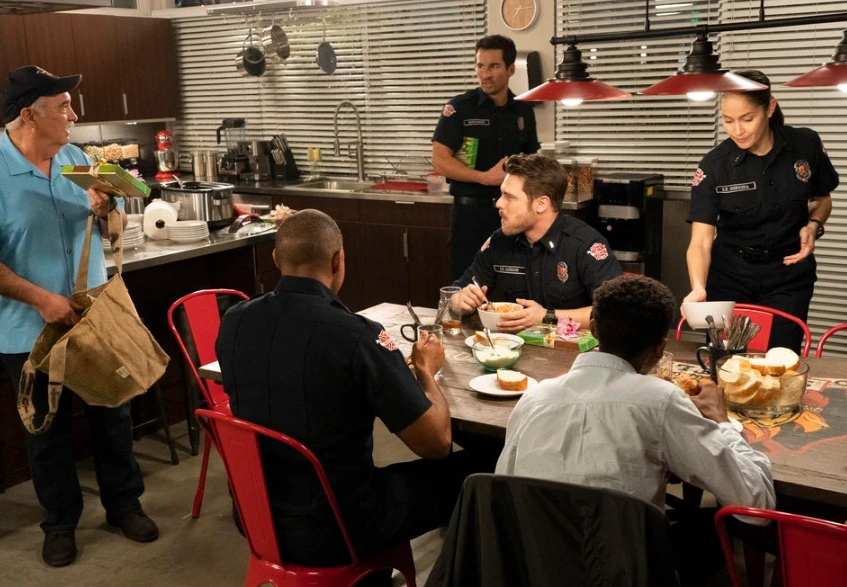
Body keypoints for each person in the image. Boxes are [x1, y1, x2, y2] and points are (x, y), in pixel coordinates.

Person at [215, 209, 487, 584]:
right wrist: (426, 370)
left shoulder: (235, 320)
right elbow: (437, 443)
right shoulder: (357, 337)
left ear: (276, 259)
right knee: (478, 471)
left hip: (254, 515)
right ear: (338, 261)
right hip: (337, 527)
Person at [0, 66, 155, 567]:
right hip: (30, 329)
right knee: (46, 431)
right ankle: (60, 523)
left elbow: (116, 222)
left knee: (113, 413)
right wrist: (42, 300)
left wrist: (107, 210)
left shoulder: (77, 159)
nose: (74, 115)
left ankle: (124, 505)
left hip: (92, 317)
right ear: (30, 115)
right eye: (64, 106)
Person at [496, 275, 775, 585]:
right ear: (660, 348)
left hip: (536, 569)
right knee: (708, 532)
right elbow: (755, 505)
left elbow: (503, 496)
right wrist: (722, 422)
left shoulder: (533, 399)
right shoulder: (662, 401)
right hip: (624, 573)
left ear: (594, 329)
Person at [684, 69, 838, 353]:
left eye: (747, 119)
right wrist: (698, 287)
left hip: (788, 276)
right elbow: (701, 242)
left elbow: (822, 199)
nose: (737, 130)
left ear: (769, 108)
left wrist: (813, 224)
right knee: (726, 361)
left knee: (781, 359)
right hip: (730, 277)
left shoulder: (805, 145)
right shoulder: (714, 166)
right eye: (728, 120)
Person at [450, 153, 621, 333]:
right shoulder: (500, 242)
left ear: (541, 204)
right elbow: (454, 293)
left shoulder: (586, 245)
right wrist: (460, 301)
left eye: (509, 197)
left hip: (572, 348)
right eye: (501, 195)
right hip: (513, 346)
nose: (499, 203)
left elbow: (616, 313)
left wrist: (547, 316)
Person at [432, 34, 540, 281]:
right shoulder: (460, 108)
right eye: (480, 66)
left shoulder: (523, 111)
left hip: (513, 214)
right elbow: (440, 161)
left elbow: (531, 162)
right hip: (470, 215)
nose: (485, 74)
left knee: (513, 283)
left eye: (493, 66)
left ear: (510, 69)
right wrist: (484, 177)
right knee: (466, 284)